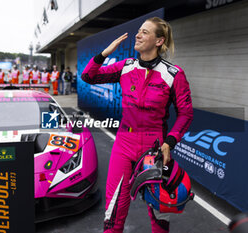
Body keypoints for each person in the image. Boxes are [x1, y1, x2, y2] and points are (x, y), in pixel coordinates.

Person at [81, 17, 193, 233]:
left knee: (159, 215)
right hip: (123, 145)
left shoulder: (174, 74)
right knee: (113, 213)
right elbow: (88, 76)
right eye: (139, 31)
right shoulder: (125, 67)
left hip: (154, 150)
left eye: (144, 32)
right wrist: (104, 54)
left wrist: (170, 142)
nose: (138, 35)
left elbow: (186, 113)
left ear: (159, 41)